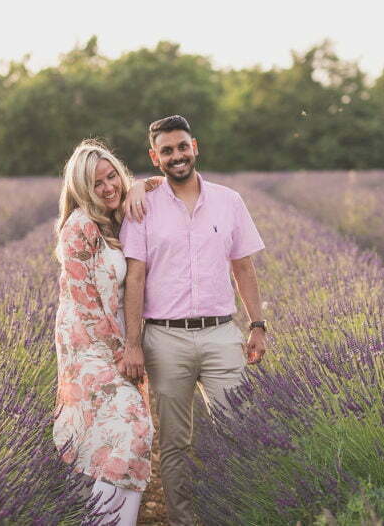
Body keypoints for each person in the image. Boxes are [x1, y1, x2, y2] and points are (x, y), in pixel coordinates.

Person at [119, 115, 267, 525]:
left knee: (239, 432)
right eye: (167, 150)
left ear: (195, 146)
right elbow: (135, 276)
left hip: (222, 334)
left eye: (182, 146)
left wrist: (257, 324)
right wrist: (132, 343)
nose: (177, 155)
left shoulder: (229, 201)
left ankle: (234, 513)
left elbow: (244, 267)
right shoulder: (142, 205)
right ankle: (183, 520)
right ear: (155, 157)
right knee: (174, 443)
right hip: (166, 339)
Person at [53, 139, 160, 525]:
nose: (108, 187)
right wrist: (126, 350)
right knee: (130, 431)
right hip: (90, 350)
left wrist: (136, 186)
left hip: (115, 345)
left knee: (126, 441)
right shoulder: (79, 227)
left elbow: (158, 185)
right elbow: (87, 306)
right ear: (83, 190)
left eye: (112, 176)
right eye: (97, 183)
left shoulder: (118, 218)